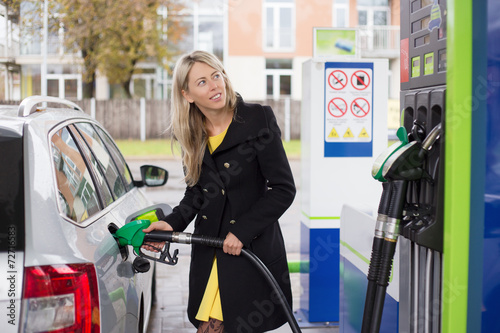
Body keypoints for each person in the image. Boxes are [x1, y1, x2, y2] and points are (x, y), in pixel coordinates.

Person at [142, 50, 296, 333]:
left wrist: (243, 231)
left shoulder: (257, 119)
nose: (215, 85)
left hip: (248, 250)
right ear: (187, 94)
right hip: (210, 249)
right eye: (202, 82)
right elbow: (196, 194)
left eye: (216, 75)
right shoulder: (191, 133)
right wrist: (171, 224)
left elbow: (283, 189)